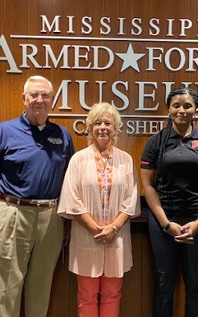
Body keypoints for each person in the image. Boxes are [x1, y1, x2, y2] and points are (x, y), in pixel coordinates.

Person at [0, 75, 75, 317]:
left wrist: (68, 224)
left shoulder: (62, 135)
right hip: (13, 213)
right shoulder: (4, 130)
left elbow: (69, 180)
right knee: (6, 290)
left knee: (41, 289)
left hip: (51, 217)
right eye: (34, 95)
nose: (39, 100)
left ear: (53, 100)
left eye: (45, 95)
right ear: (24, 98)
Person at [140, 87, 198, 317]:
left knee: (196, 284)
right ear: (168, 109)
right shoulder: (156, 142)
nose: (182, 111)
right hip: (163, 221)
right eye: (176, 106)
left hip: (197, 222)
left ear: (196, 109)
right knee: (164, 284)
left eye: (187, 106)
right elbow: (148, 186)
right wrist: (166, 224)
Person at [57, 102, 141, 317]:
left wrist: (114, 227)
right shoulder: (78, 159)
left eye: (108, 123)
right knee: (86, 294)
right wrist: (95, 228)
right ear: (90, 127)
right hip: (86, 236)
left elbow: (130, 200)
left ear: (116, 129)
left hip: (117, 237)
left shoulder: (126, 159)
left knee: (113, 294)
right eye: (98, 123)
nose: (103, 127)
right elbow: (71, 199)